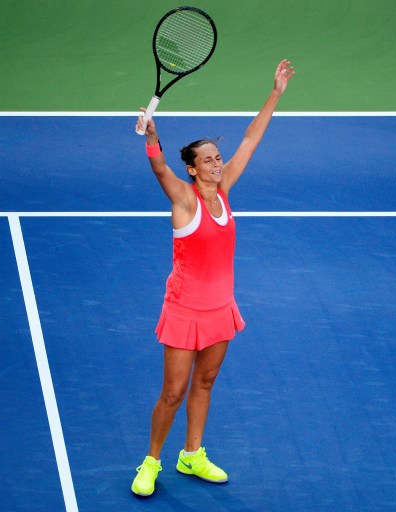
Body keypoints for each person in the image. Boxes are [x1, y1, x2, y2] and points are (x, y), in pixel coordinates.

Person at [131, 59, 295, 497]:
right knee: (173, 391)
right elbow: (159, 169)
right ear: (192, 168)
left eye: (218, 158)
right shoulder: (183, 200)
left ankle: (192, 454)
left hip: (220, 308)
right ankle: (151, 462)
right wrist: (151, 138)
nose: (218, 164)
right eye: (208, 160)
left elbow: (251, 139)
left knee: (205, 383)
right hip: (185, 309)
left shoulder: (224, 190)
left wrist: (275, 92)